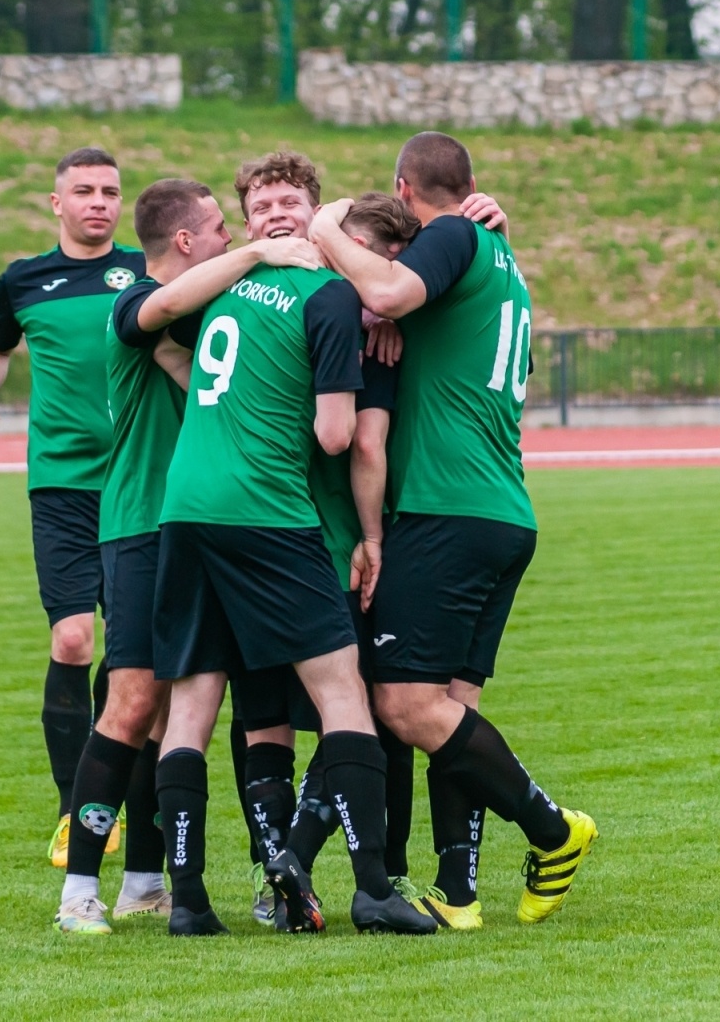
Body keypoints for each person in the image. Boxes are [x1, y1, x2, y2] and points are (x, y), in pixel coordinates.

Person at [308, 131, 597, 931]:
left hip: (447, 509)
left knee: (403, 705)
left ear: (408, 189)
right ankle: (459, 892)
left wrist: (328, 232)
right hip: (501, 511)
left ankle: (552, 828)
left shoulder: (459, 236)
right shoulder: (505, 265)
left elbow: (394, 293)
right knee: (451, 714)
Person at [147, 173, 435, 937]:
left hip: (184, 508)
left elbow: (165, 342)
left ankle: (189, 903)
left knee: (192, 709)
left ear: (315, 214)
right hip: (268, 512)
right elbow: (337, 436)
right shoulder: (326, 296)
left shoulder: (222, 287)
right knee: (345, 696)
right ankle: (373, 888)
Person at [53, 178, 322, 935]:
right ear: (185, 242)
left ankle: (149, 879)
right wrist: (264, 251)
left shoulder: (216, 313)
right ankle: (79, 888)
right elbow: (161, 312)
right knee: (133, 699)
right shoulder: (136, 301)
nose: (231, 239)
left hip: (204, 529)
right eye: (219, 229)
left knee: (182, 709)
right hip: (140, 527)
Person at [0, 147, 145, 869]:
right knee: (73, 640)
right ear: (56, 202)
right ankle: (75, 811)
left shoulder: (147, 271)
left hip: (138, 481)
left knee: (131, 653)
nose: (99, 202)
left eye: (110, 191)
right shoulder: (25, 280)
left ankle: (114, 789)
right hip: (63, 484)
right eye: (85, 191)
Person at [284, 193, 424, 902]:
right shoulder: (339, 318)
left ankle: (305, 860)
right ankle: (355, 867)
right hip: (339, 545)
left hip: (296, 537)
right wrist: (372, 538)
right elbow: (358, 440)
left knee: (356, 707)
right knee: (366, 709)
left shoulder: (321, 311)